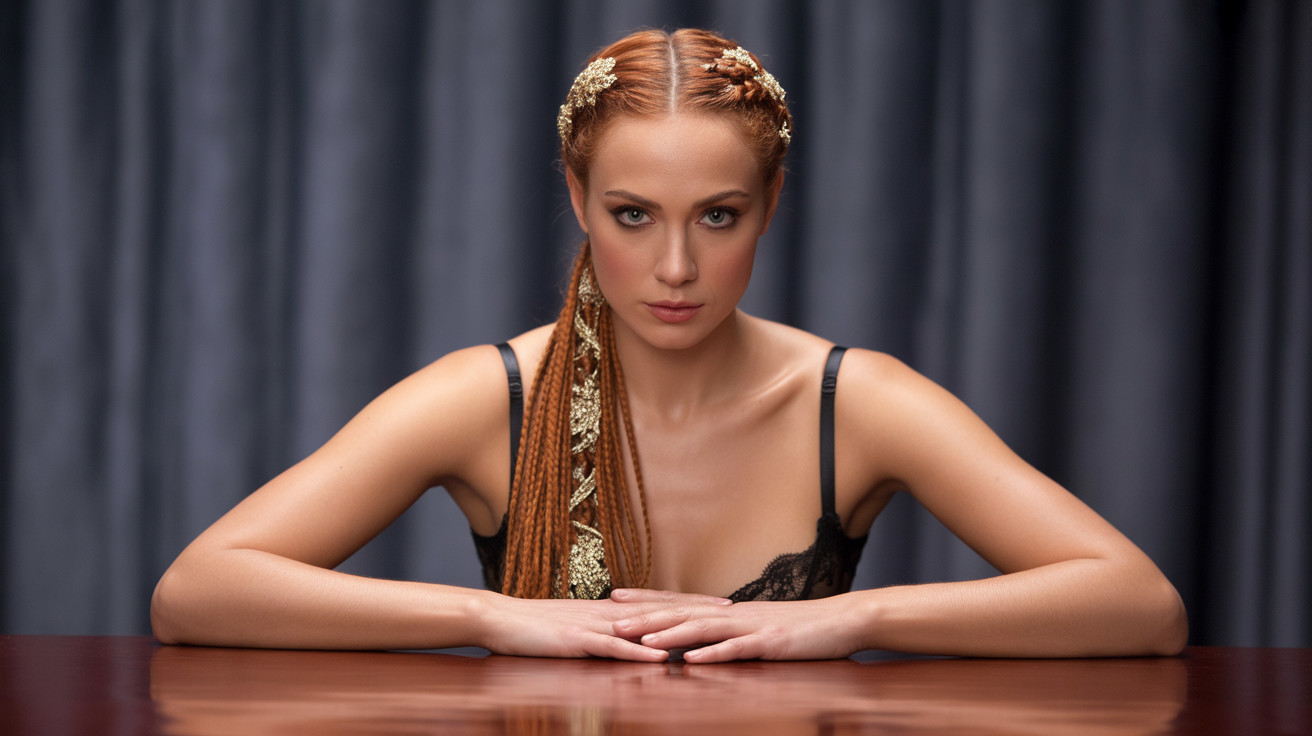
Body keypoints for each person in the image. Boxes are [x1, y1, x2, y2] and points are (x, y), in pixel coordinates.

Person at [150, 28, 1188, 663]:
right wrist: (493, 617)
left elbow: (1138, 604)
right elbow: (198, 590)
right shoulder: (491, 397)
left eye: (720, 215)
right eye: (635, 215)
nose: (677, 267)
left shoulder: (852, 400)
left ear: (771, 203)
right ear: (577, 199)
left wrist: (847, 620)